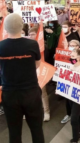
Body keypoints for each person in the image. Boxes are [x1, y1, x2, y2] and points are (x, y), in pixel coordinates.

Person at [0, 13, 44, 143]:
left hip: (10, 94)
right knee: (37, 130)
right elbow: (37, 65)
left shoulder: (1, 46)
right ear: (21, 27)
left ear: (5, 28)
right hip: (31, 92)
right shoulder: (32, 44)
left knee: (14, 132)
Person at [60, 40, 80, 124]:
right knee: (67, 99)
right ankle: (68, 114)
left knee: (75, 101)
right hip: (67, 79)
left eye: (74, 45)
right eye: (70, 45)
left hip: (76, 81)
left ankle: (76, 115)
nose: (72, 47)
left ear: (78, 47)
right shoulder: (66, 54)